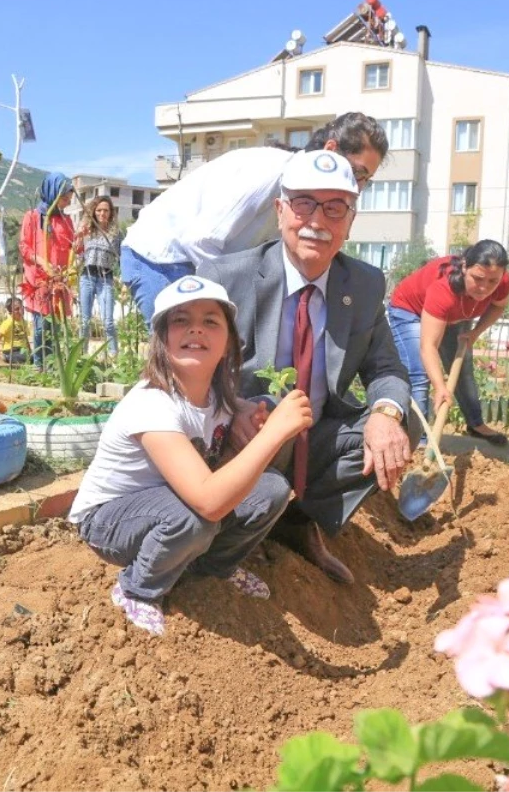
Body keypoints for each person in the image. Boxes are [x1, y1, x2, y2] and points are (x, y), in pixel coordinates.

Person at [198, 149, 419, 585]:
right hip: (244, 432)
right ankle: (229, 532)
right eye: (304, 204)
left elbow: (387, 370)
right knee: (264, 407)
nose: (318, 220)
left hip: (313, 434)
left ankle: (296, 522)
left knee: (400, 425)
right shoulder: (228, 277)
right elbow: (182, 369)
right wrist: (232, 405)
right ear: (281, 211)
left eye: (335, 208)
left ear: (350, 221)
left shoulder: (365, 284)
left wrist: (385, 414)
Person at [69, 276, 313, 635]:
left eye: (210, 321)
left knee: (271, 489)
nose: (195, 329)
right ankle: (137, 588)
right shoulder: (152, 404)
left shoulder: (217, 395)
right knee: (196, 517)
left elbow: (228, 411)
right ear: (162, 340)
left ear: (228, 343)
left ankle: (212, 567)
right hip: (109, 520)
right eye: (180, 320)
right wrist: (275, 433)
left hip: (167, 507)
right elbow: (208, 502)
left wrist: (249, 410)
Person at [121, 112, 388, 323]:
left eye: (366, 180)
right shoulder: (272, 172)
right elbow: (200, 240)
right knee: (182, 364)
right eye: (357, 173)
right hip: (163, 257)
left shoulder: (305, 200)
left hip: (196, 259)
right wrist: (235, 300)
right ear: (330, 150)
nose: (358, 186)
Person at [387, 240, 509, 446]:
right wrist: (440, 386)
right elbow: (428, 347)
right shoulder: (443, 289)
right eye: (478, 278)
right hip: (409, 311)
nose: (484, 288)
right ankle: (420, 441)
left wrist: (475, 333)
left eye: (492, 281)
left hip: (454, 314)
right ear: (464, 267)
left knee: (462, 368)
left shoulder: (501, 282)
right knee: (419, 373)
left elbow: (498, 307)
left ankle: (476, 425)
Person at [19, 172, 76, 368]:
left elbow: (72, 246)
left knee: (55, 324)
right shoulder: (33, 217)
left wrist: (79, 244)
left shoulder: (66, 220)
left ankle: (52, 365)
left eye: (69, 198)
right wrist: (42, 262)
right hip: (39, 277)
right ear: (52, 193)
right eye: (64, 197)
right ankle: (38, 365)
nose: (68, 201)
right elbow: (24, 247)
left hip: (58, 278)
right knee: (41, 324)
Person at [74, 196, 122, 357]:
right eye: (99, 210)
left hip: (105, 278)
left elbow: (121, 256)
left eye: (106, 210)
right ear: (94, 212)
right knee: (85, 321)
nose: (102, 213)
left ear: (110, 213)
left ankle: (113, 354)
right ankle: (82, 355)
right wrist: (79, 236)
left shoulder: (115, 233)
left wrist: (123, 279)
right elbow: (75, 251)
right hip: (87, 276)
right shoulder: (87, 230)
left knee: (108, 320)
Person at [0, 297, 31, 365]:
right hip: (10, 351)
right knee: (27, 358)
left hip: (22, 350)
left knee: (35, 355)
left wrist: (30, 350)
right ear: (10, 312)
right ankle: (6, 357)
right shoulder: (7, 323)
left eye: (21, 308)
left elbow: (26, 338)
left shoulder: (24, 323)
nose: (20, 311)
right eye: (16, 309)